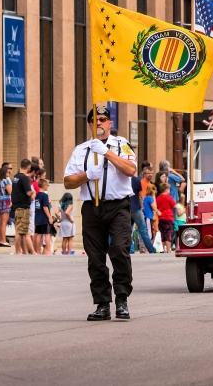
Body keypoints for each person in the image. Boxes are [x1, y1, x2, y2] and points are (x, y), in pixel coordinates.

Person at [63, 105, 137, 321]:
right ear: (89, 125)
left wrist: (106, 153)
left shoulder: (122, 144)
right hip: (92, 207)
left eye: (103, 119)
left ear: (110, 123)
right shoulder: (81, 150)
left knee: (119, 250)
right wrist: (87, 174)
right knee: (95, 258)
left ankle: (122, 299)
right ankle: (102, 304)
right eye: (94, 120)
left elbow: (130, 170)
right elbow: (68, 181)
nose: (99, 123)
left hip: (118, 206)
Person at [10, 159, 36, 254]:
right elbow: (29, 193)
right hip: (23, 207)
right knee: (20, 232)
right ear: (28, 167)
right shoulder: (24, 178)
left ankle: (24, 251)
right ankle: (18, 251)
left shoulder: (16, 177)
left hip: (16, 207)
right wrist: (34, 193)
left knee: (23, 231)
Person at [130, 163, 156, 254]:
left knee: (129, 230)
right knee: (143, 230)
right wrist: (142, 207)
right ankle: (151, 249)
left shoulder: (123, 180)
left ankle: (131, 250)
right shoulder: (137, 180)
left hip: (127, 208)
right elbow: (140, 196)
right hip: (136, 208)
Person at [0, 164, 13, 247]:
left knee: (1, 222)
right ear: (5, 173)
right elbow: (10, 191)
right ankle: (3, 240)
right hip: (6, 201)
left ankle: (0, 239)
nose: (9, 173)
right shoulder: (6, 181)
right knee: (4, 222)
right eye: (8, 172)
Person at [33, 178, 53, 255]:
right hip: (44, 218)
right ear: (44, 185)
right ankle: (48, 250)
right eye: (47, 185)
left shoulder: (37, 195)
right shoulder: (45, 195)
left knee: (38, 234)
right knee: (47, 234)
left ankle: (37, 250)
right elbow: (45, 207)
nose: (48, 186)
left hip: (37, 217)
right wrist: (49, 217)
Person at [155, 182, 177, 253]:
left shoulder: (158, 198)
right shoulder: (169, 197)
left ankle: (163, 249)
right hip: (168, 217)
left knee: (163, 233)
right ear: (167, 189)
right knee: (168, 233)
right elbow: (174, 206)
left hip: (161, 218)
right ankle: (168, 249)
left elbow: (156, 207)